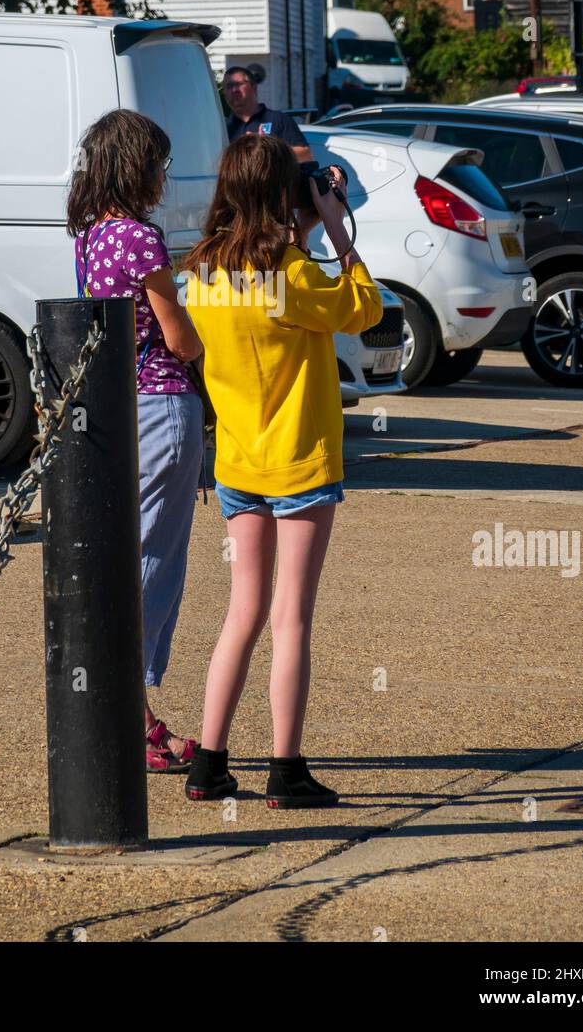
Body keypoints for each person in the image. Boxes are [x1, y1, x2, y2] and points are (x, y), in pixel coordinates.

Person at [180, 132, 383, 808]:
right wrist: (333, 225)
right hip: (299, 462)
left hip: (238, 460)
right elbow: (367, 307)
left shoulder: (202, 272)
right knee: (291, 617)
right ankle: (286, 769)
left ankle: (208, 762)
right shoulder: (293, 277)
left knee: (243, 612)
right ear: (282, 196)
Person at [66, 111, 205, 774]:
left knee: (124, 555)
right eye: (158, 163)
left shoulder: (90, 236)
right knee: (154, 562)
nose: (162, 176)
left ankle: (130, 710)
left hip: (114, 407)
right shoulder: (142, 238)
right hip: (162, 403)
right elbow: (177, 337)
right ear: (137, 167)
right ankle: (130, 703)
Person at [222, 65, 314, 162]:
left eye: (239, 84)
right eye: (229, 86)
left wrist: (267, 149)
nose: (234, 90)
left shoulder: (278, 119)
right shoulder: (224, 128)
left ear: (254, 87)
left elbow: (306, 155)